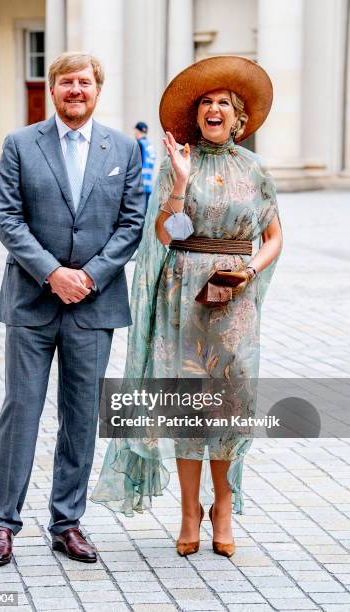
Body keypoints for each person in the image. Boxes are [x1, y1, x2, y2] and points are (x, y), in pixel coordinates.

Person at [91, 56, 282, 558]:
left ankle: (222, 504)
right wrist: (178, 183)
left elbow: (274, 234)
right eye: (206, 102)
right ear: (196, 116)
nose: (214, 109)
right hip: (184, 296)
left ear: (239, 119)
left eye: (224, 103)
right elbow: (163, 234)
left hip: (236, 296)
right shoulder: (181, 162)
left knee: (229, 406)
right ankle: (188, 511)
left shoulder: (255, 169)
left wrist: (251, 271)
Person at [0, 51, 145, 566]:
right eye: (65, 82)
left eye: (84, 82)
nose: (75, 90)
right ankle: (3, 524)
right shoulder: (20, 144)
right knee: (21, 413)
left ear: (98, 90)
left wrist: (90, 276)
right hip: (32, 302)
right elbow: (8, 219)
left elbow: (131, 224)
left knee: (80, 418)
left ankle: (67, 523)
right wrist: (54, 273)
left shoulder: (122, 147)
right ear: (52, 90)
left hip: (94, 306)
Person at [134, 121, 156, 207]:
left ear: (137, 130)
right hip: (148, 185)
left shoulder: (140, 144)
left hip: (139, 185)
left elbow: (136, 164)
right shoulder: (149, 145)